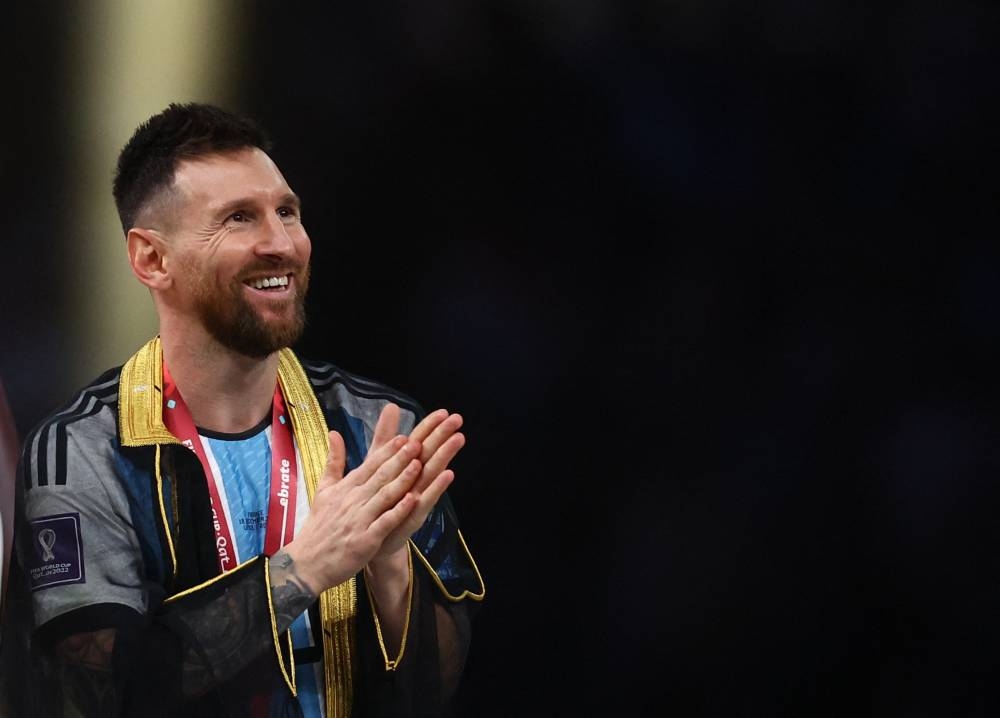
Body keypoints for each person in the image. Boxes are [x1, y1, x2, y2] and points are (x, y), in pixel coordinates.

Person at [0, 102, 484, 718]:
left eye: (287, 211)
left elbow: (437, 690)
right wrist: (303, 570)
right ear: (152, 259)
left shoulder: (375, 425)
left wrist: (390, 573)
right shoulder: (83, 453)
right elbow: (96, 695)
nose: (281, 243)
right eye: (239, 219)